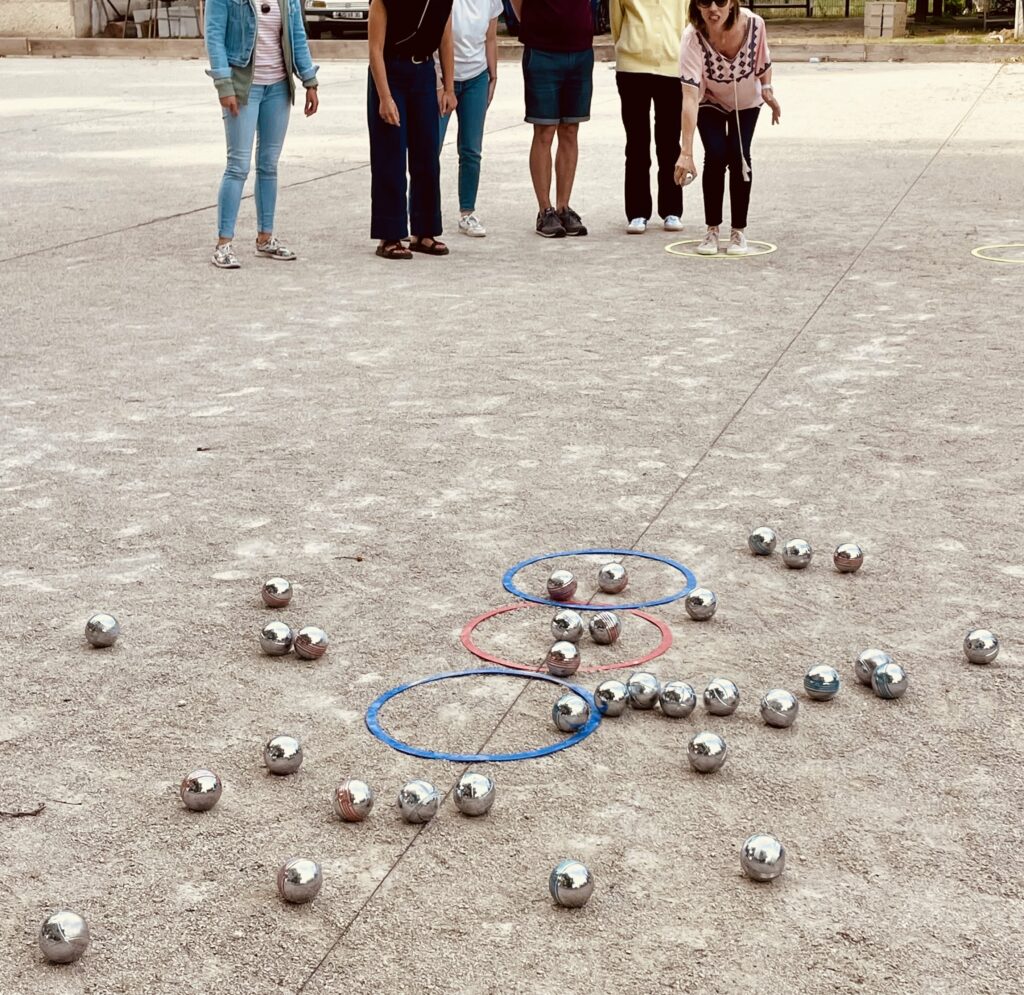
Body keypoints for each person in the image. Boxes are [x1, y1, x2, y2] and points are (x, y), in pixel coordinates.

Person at [205, 0, 320, 269]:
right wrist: (223, 84)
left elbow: (297, 34)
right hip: (243, 85)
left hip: (278, 87)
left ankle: (265, 238)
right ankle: (223, 244)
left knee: (269, 165)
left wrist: (309, 80)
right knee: (238, 165)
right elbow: (214, 34)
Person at [674, 0, 780, 256]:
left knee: (739, 154)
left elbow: (763, 61)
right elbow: (689, 96)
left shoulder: (754, 24)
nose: (713, 9)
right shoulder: (692, 37)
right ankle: (712, 229)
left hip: (746, 101)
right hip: (710, 98)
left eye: (720, 1)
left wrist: (767, 91)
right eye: (704, 2)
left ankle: (738, 231)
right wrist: (685, 152)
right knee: (715, 154)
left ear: (732, 2)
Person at [368, 0, 457, 260]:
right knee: (390, 154)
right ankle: (390, 235)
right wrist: (384, 97)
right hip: (390, 72)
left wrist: (449, 88)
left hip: (423, 73)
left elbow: (446, 41)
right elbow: (375, 50)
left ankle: (425, 231)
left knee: (427, 154)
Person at [511, 0, 594, 238]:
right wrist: (535, 23)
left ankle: (563, 207)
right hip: (542, 50)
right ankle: (545, 209)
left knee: (570, 129)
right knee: (545, 130)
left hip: (580, 49)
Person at [610, 0, 687, 235]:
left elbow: (689, 20)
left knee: (669, 142)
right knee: (636, 143)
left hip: (673, 66)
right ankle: (637, 212)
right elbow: (617, 21)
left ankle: (672, 210)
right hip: (633, 68)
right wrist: (628, 47)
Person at [439, 0, 502, 237]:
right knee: (428, 149)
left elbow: (491, 38)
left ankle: (467, 213)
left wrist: (493, 75)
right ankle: (418, 213)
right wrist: (440, 83)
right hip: (444, 75)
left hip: (476, 77)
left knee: (471, 150)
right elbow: (434, 37)